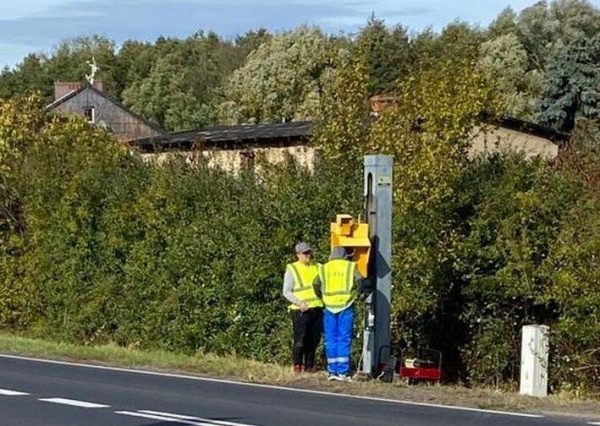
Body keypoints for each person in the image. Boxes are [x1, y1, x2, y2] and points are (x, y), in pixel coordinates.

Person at [313, 246, 368, 381]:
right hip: (345, 305)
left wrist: (323, 296)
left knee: (330, 339)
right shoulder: (349, 267)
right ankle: (343, 372)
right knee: (344, 338)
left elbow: (315, 283)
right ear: (345, 255)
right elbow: (360, 280)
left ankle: (332, 371)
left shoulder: (324, 268)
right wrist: (356, 294)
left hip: (329, 307)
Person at [282, 242, 324, 373]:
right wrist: (299, 303)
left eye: (309, 252)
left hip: (317, 307)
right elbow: (286, 291)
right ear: (298, 254)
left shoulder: (318, 267)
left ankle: (309, 365)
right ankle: (297, 365)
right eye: (305, 253)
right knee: (300, 339)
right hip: (300, 310)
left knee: (314, 339)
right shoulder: (292, 268)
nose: (308, 255)